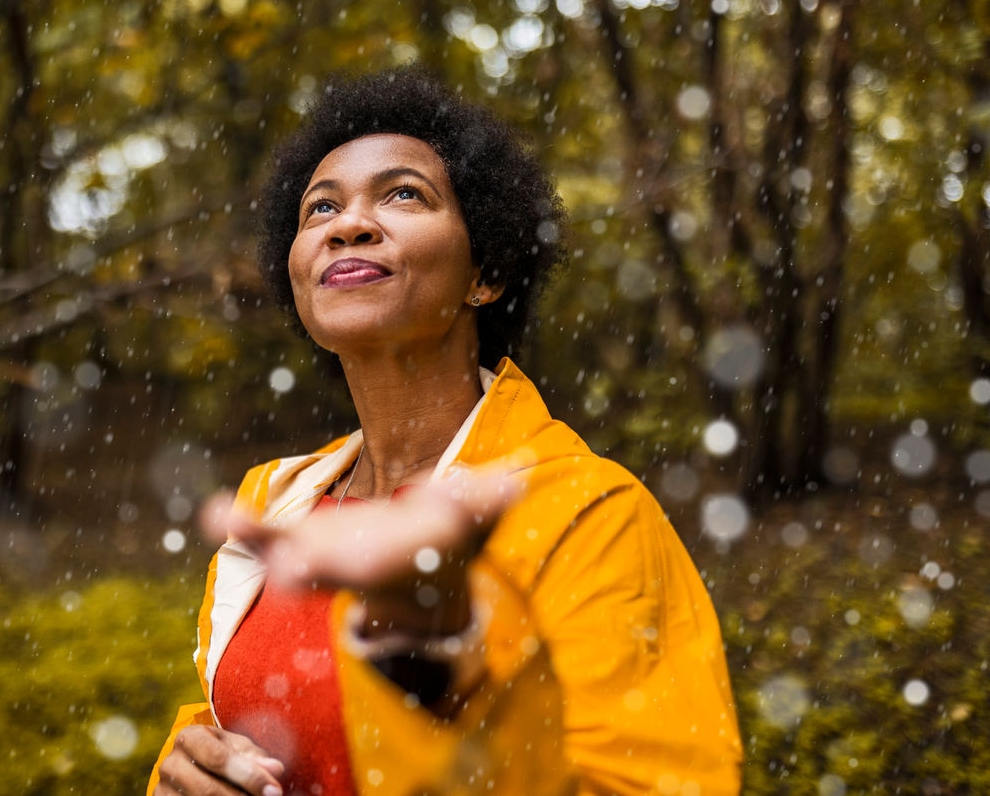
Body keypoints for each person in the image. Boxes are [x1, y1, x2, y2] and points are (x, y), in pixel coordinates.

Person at [148, 66, 742, 795]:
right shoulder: (271, 502)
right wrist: (180, 773)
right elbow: (216, 722)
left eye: (403, 194)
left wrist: (431, 659)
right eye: (319, 208)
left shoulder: (593, 511)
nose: (348, 223)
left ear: (483, 273)